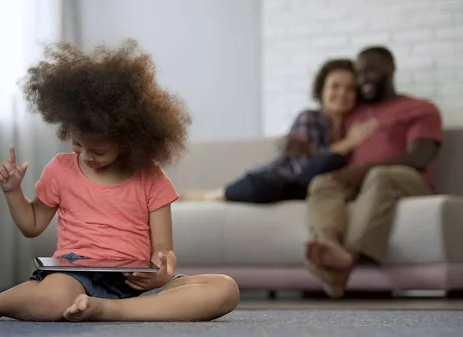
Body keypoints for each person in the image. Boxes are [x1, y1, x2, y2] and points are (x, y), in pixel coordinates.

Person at [0, 40, 240, 322]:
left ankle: (108, 310)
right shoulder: (61, 169)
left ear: (130, 139)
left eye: (98, 151)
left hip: (135, 283)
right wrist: (12, 191)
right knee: (54, 297)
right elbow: (32, 224)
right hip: (76, 277)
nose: (86, 156)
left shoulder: (150, 175)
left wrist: (161, 273)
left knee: (224, 289)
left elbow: (164, 252)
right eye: (77, 145)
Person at [304, 46, 443, 298]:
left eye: (371, 71)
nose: (363, 79)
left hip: (407, 181)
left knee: (379, 176)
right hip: (362, 182)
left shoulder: (420, 108)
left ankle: (349, 259)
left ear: (390, 70)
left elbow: (421, 156)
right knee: (324, 181)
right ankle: (330, 245)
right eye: (359, 73)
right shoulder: (354, 114)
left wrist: (364, 170)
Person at [179, 59, 378, 204]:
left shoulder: (355, 125)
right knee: (268, 186)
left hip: (314, 189)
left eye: (350, 89)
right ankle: (210, 195)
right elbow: (306, 165)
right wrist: (349, 143)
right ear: (322, 90)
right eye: (335, 86)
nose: (342, 93)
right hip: (281, 179)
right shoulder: (309, 117)